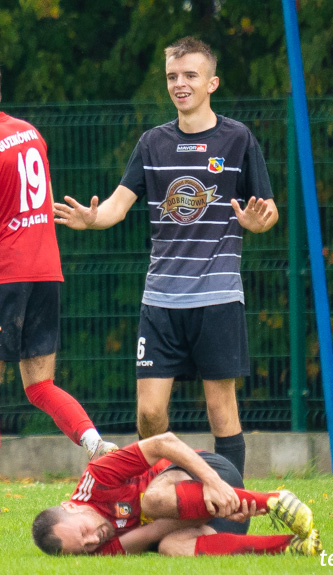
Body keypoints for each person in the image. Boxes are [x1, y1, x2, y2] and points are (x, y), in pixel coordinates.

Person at [53, 37, 278, 475]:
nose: (180, 84)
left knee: (221, 411)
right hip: (160, 303)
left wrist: (257, 223)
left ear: (212, 82)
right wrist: (92, 218)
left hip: (218, 299)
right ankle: (156, 494)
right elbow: (117, 206)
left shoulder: (238, 139)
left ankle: (229, 503)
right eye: (173, 76)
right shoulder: (152, 143)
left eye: (190, 76)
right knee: (150, 413)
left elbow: (267, 211)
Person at [0, 51, 116, 515]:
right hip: (47, 271)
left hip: (6, 274)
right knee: (39, 385)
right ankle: (96, 443)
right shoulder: (30, 133)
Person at [31, 432, 321, 557]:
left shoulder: (97, 477)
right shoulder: (99, 547)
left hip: (210, 475)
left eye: (84, 532)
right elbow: (152, 534)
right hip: (217, 514)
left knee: (152, 501)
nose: (94, 540)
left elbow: (164, 443)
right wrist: (214, 510)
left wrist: (213, 483)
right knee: (171, 547)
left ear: (71, 505)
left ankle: (273, 500)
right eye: (85, 547)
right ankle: (292, 547)